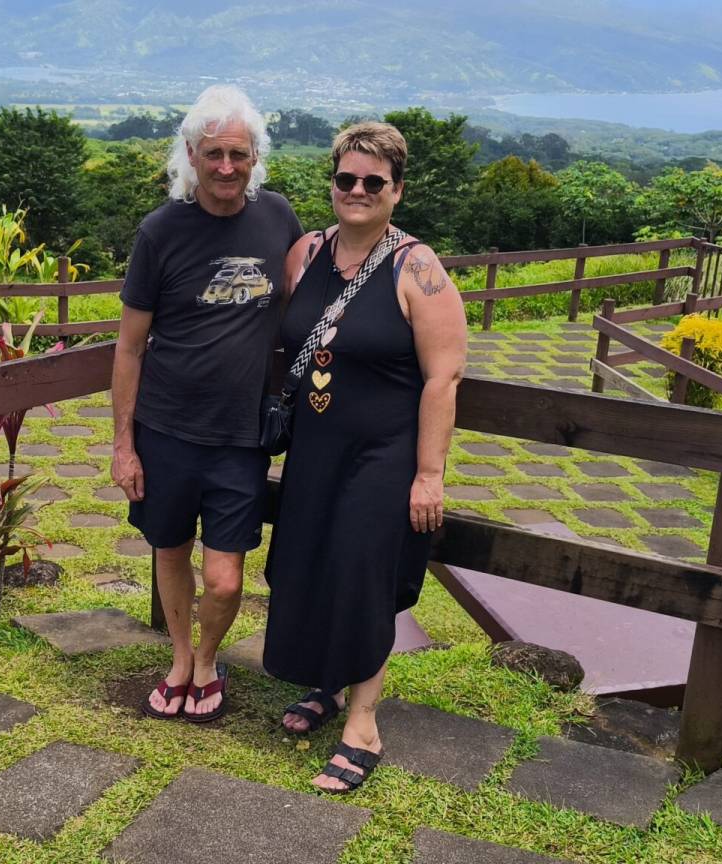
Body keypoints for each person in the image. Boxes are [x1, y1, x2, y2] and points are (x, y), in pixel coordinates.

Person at [262, 122, 467, 792]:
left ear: (396, 190)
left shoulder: (418, 269)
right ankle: (324, 683)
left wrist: (429, 474)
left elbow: (444, 377)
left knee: (361, 576)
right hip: (317, 446)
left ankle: (364, 721)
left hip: (384, 454)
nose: (357, 191)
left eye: (372, 182)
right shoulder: (306, 253)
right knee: (309, 564)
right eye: (346, 179)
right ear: (333, 182)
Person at [111, 85, 304, 723]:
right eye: (214, 153)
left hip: (240, 435)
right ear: (191, 156)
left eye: (239, 154)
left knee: (224, 575)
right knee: (169, 549)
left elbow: (312, 299)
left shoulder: (278, 218)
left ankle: (208, 658)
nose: (227, 166)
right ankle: (179, 659)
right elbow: (130, 347)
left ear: (256, 158)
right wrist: (123, 444)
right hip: (165, 427)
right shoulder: (160, 231)